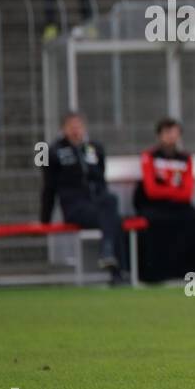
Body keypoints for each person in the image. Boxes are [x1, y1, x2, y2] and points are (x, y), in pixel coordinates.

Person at [39, 110, 127, 284]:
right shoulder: (53, 152)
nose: (76, 130)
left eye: (78, 126)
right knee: (113, 217)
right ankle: (115, 267)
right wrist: (45, 220)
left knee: (111, 203)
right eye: (71, 127)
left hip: (97, 204)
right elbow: (49, 188)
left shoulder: (95, 148)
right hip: (75, 207)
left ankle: (111, 259)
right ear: (63, 129)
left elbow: (101, 180)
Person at [133, 118, 195, 282]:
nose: (171, 137)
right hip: (153, 206)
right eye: (167, 133)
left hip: (179, 205)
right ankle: (154, 272)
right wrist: (173, 191)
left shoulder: (185, 158)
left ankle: (194, 272)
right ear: (159, 135)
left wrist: (166, 191)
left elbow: (187, 193)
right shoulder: (149, 156)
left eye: (174, 133)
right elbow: (151, 191)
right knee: (155, 223)